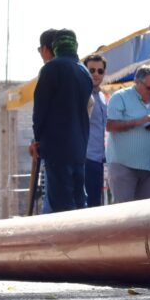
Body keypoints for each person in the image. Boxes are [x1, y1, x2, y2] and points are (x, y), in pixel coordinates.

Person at [30, 28, 92, 212]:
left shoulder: (51, 68)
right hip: (79, 147)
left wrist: (38, 138)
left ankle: (65, 240)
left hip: (57, 147)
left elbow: (40, 109)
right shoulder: (84, 72)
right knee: (79, 200)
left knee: (61, 205)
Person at [105, 65, 150, 203]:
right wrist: (140, 121)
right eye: (148, 88)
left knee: (144, 217)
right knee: (123, 214)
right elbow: (110, 125)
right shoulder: (120, 97)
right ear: (137, 82)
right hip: (124, 165)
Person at [83, 53, 108, 207]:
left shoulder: (103, 97)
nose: (96, 74)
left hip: (102, 160)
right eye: (91, 70)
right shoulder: (81, 94)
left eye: (100, 71)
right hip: (87, 158)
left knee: (98, 205)